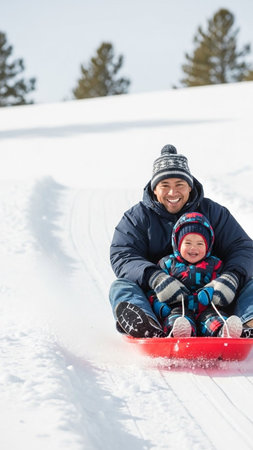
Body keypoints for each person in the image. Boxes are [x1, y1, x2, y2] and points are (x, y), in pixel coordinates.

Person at [109, 144, 253, 338]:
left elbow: (243, 248)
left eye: (179, 185)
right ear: (154, 189)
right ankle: (147, 326)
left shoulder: (214, 213)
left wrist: (231, 277)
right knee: (121, 286)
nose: (172, 193)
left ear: (189, 186)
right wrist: (155, 277)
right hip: (160, 300)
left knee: (250, 283)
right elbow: (123, 254)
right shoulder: (137, 217)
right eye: (165, 186)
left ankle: (247, 324)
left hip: (213, 299)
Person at [147, 211, 243, 338]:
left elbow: (223, 286)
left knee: (214, 318)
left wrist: (213, 292)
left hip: (208, 309)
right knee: (177, 318)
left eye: (200, 243)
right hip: (178, 309)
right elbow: (154, 290)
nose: (193, 248)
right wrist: (158, 304)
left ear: (208, 246)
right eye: (188, 243)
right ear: (177, 244)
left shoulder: (215, 264)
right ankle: (178, 333)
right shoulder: (167, 264)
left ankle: (223, 332)